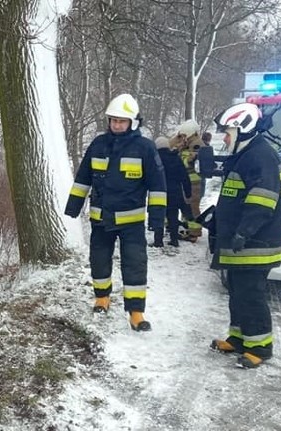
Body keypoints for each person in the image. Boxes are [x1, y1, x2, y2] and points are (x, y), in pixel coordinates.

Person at [65, 94, 167, 332]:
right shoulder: (98, 144)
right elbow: (83, 178)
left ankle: (136, 312)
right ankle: (102, 297)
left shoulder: (145, 148)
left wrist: (157, 218)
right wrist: (73, 206)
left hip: (132, 222)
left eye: (122, 121)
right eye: (113, 120)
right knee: (99, 260)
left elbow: (158, 186)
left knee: (135, 265)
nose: (117, 125)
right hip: (101, 219)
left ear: (133, 122)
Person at [209, 102, 281, 369]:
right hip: (242, 243)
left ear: (243, 129)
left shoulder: (260, 156)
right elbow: (235, 195)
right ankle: (240, 338)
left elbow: (263, 201)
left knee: (251, 294)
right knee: (238, 291)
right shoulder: (245, 154)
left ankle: (260, 347)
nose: (224, 137)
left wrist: (244, 231)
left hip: (255, 243)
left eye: (227, 131)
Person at [153, 136, 193, 247]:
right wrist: (188, 193)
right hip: (175, 191)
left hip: (159, 192)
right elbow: (185, 177)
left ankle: (158, 241)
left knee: (159, 216)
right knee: (173, 216)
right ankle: (174, 240)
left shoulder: (155, 159)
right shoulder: (176, 158)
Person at [171, 120, 204, 242]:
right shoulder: (187, 143)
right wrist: (177, 139)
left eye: (184, 135)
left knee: (193, 207)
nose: (183, 138)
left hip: (194, 182)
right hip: (187, 181)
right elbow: (170, 145)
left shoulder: (197, 145)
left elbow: (190, 162)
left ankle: (194, 232)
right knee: (187, 205)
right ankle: (188, 229)